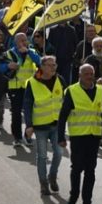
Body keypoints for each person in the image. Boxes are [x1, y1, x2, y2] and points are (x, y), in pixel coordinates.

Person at [58, 64, 102, 204]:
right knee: (77, 168)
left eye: (91, 73)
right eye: (86, 74)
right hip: (78, 137)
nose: (89, 76)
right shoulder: (72, 91)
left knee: (90, 171)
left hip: (94, 137)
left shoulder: (99, 90)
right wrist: (61, 136)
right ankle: (72, 200)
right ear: (79, 75)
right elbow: (63, 115)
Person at [23, 56, 64, 196]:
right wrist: (29, 125)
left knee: (58, 153)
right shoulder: (32, 83)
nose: (53, 68)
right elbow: (27, 105)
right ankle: (43, 184)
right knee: (42, 156)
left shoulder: (60, 79)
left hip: (56, 124)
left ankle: (52, 176)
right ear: (42, 67)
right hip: (40, 126)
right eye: (50, 65)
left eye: (55, 65)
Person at [2, 32, 42, 147]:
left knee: (31, 114)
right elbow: (0, 67)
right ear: (16, 42)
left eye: (26, 40)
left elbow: (40, 62)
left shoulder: (32, 52)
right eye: (21, 40)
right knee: (16, 113)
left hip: (30, 88)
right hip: (15, 87)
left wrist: (28, 51)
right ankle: (17, 137)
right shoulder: (9, 53)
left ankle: (27, 135)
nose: (24, 42)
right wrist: (7, 66)